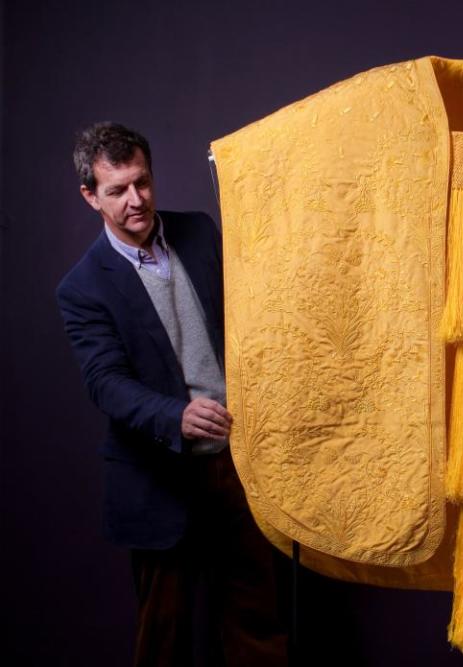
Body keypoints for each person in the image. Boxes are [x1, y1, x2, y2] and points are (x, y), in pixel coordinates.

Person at [56, 122, 287, 666]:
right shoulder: (81, 287)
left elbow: (248, 320)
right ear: (91, 196)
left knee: (257, 620)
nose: (135, 201)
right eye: (117, 191)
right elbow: (105, 382)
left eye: (142, 182)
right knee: (165, 638)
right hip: (158, 478)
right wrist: (175, 416)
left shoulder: (200, 233)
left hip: (238, 467)